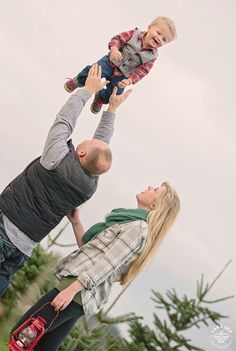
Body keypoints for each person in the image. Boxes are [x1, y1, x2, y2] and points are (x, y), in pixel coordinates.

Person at [0, 64, 131, 296]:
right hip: (24, 248)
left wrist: (87, 91)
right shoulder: (89, 186)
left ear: (81, 153)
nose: (87, 140)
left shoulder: (56, 159)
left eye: (87, 143)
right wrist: (111, 111)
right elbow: (100, 149)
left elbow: (64, 120)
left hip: (5, 228)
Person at [10, 182, 180, 350]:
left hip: (76, 290)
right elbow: (91, 252)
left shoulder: (137, 228)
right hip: (79, 293)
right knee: (43, 346)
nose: (150, 186)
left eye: (156, 190)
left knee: (20, 338)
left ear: (154, 205)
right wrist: (76, 222)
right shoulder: (129, 222)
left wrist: (71, 290)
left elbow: (107, 264)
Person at [64, 16, 176, 114]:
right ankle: (78, 80)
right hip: (110, 63)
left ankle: (100, 98)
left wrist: (129, 81)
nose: (159, 38)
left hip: (122, 76)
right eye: (159, 33)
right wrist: (114, 49)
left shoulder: (152, 56)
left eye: (164, 39)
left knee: (115, 94)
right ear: (149, 27)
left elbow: (142, 71)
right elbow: (117, 39)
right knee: (94, 71)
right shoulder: (134, 34)